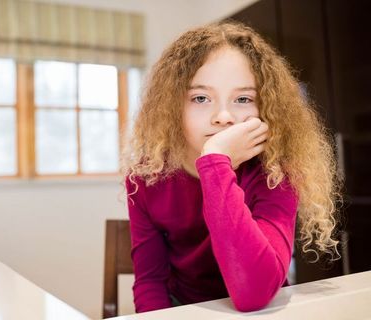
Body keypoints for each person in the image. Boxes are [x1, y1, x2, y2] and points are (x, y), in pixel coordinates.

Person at [121, 21, 343, 313]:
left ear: (263, 107)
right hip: (184, 310)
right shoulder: (147, 176)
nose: (223, 116)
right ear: (173, 106)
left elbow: (252, 294)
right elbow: (150, 282)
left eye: (242, 99)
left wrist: (215, 163)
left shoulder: (276, 172)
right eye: (201, 98)